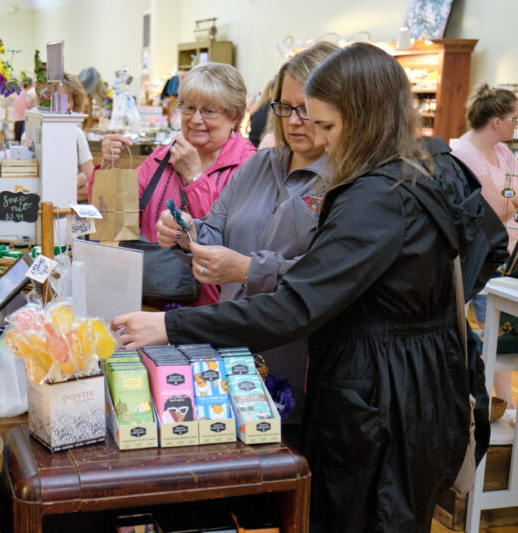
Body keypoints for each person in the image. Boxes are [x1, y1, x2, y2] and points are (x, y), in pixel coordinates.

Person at [112, 43, 508, 532]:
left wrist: (171, 325)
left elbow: (293, 306)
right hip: (418, 387)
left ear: (363, 117)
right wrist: (417, 313)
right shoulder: (430, 163)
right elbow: (490, 245)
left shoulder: (375, 197)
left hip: (378, 405)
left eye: (328, 126)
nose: (321, 141)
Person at [155, 42, 337, 433]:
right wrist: (186, 232)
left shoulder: (344, 181)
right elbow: (216, 227)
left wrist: (248, 269)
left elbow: (329, 275)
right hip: (233, 349)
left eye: (305, 109)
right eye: (284, 108)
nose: (293, 121)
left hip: (300, 359)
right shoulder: (259, 165)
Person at [95, 62, 256, 305]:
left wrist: (194, 176)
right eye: (189, 108)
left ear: (234, 116)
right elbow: (113, 223)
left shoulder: (251, 165)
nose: (195, 119)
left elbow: (229, 240)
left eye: (209, 111)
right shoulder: (160, 158)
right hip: (147, 302)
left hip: (212, 310)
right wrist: (109, 168)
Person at [451, 84, 518, 409]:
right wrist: (510, 200)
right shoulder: (464, 153)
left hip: (506, 252)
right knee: (476, 336)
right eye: (513, 119)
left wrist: (509, 200)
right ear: (496, 122)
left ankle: (505, 403)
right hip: (479, 256)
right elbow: (498, 208)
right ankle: (474, 405)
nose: (515, 125)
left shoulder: (503, 152)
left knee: (503, 338)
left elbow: (507, 200)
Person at [59, 73, 95, 202]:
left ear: (75, 102)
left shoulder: (77, 135)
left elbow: (91, 184)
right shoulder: (34, 134)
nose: (60, 106)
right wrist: (77, 182)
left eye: (66, 100)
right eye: (56, 100)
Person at [13, 75, 33, 142]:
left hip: (17, 121)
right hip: (25, 121)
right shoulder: (28, 95)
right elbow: (31, 107)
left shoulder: (18, 94)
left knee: (17, 142)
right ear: (30, 85)